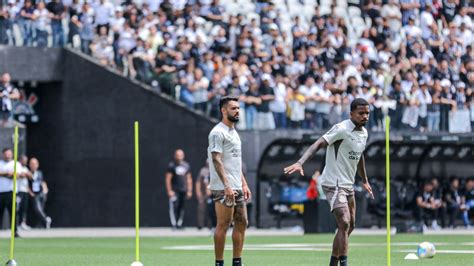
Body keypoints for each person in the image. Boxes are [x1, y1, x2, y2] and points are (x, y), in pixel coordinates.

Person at [284, 98, 374, 266]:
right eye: (361, 113)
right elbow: (318, 143)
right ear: (351, 114)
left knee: (349, 226)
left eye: (367, 113)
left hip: (348, 185)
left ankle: (333, 262)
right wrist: (300, 162)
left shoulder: (364, 133)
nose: (365, 117)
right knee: (345, 222)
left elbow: (359, 155)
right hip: (333, 184)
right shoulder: (341, 128)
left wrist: (364, 180)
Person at [208, 96, 251, 266]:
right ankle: (219, 263)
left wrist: (244, 183)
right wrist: (226, 185)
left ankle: (237, 262)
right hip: (223, 187)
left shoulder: (234, 132)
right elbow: (216, 160)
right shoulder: (217, 132)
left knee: (242, 222)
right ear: (223, 110)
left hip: (237, 186)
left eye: (238, 108)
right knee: (223, 224)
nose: (237, 111)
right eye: (233, 108)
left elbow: (235, 163)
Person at [165, 149, 192, 230]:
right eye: (178, 155)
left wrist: (189, 190)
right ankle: (173, 224)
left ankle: (179, 224)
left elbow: (189, 178)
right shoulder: (171, 166)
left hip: (183, 190)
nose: (179, 157)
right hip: (174, 190)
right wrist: (169, 190)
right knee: (174, 207)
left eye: (181, 155)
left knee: (181, 207)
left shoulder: (186, 165)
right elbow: (168, 179)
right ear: (175, 156)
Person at [0, 148, 22, 237]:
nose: (7, 155)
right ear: (2, 154)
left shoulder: (16, 164)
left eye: (9, 154)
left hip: (11, 191)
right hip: (1, 192)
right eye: (6, 154)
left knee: (13, 213)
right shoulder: (0, 163)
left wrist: (9, 174)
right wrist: (7, 174)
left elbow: (17, 175)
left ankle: (15, 231)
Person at [29, 157, 52, 229]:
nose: (33, 165)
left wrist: (45, 189)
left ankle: (41, 224)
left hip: (41, 193)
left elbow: (42, 182)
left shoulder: (39, 173)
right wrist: (30, 192)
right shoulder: (27, 173)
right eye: (32, 164)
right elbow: (26, 184)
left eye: (35, 164)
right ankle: (46, 220)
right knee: (37, 209)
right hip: (34, 194)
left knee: (41, 209)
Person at [195, 159, 214, 230]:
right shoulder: (203, 171)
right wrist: (198, 192)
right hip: (203, 193)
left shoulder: (215, 170)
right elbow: (198, 182)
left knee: (211, 209)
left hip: (211, 194)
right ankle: (200, 225)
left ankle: (210, 225)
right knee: (201, 209)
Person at [17, 155, 32, 230]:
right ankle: (16, 224)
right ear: (21, 160)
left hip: (25, 190)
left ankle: (22, 223)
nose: (26, 162)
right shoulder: (17, 166)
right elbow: (20, 175)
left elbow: (30, 176)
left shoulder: (25, 168)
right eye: (24, 160)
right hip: (19, 191)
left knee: (24, 208)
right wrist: (25, 174)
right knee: (18, 208)